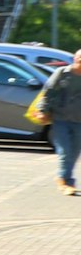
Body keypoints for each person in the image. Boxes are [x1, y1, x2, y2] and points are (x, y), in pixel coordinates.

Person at [42, 49, 81, 196]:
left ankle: (64, 178)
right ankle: (66, 181)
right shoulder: (62, 73)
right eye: (80, 57)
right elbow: (48, 91)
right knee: (65, 151)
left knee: (75, 151)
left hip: (79, 120)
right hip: (61, 118)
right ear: (75, 58)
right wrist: (43, 110)